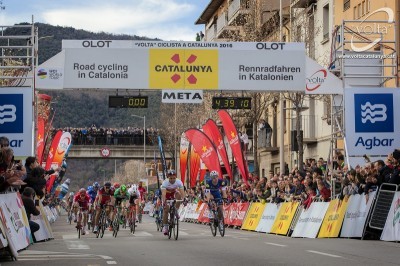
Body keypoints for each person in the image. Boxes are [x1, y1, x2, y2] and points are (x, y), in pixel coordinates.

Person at [161, 170, 185, 235]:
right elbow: (163, 194)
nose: (172, 180)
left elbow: (182, 192)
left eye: (173, 178)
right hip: (167, 195)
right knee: (166, 210)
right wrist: (164, 202)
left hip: (174, 194)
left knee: (179, 194)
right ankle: (165, 227)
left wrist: (184, 199)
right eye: (170, 178)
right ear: (168, 177)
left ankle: (176, 210)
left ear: (176, 177)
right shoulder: (165, 182)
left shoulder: (179, 182)